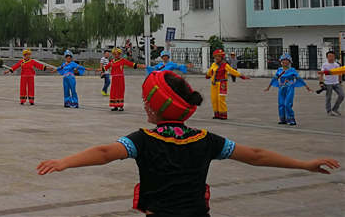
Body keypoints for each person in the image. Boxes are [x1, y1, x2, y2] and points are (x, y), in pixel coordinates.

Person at [35, 70, 340, 217]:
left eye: (146, 102)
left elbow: (104, 153)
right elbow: (256, 156)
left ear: (154, 108)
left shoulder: (143, 140)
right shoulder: (207, 140)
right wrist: (305, 164)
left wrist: (64, 162)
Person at [264, 53, 311, 126]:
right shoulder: (279, 70)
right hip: (281, 88)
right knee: (281, 104)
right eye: (283, 61)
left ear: (289, 62)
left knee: (287, 104)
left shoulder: (292, 70)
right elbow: (275, 79)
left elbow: (299, 78)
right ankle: (283, 119)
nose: (284, 62)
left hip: (290, 88)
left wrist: (306, 86)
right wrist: (268, 87)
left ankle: (291, 119)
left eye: (286, 60)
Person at [205, 49, 249, 120]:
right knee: (214, 99)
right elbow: (210, 72)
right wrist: (207, 75)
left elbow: (232, 71)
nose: (216, 58)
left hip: (222, 84)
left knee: (221, 99)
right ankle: (217, 114)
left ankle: (223, 114)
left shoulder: (225, 65)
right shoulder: (213, 64)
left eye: (218, 56)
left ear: (222, 57)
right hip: (214, 84)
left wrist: (241, 76)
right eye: (215, 56)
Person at [319, 50, 344, 116]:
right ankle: (329, 111)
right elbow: (321, 74)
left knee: (342, 95)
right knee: (328, 97)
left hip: (336, 83)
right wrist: (321, 82)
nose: (331, 57)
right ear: (327, 57)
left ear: (334, 57)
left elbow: (339, 74)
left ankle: (335, 109)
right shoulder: (324, 65)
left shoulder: (337, 64)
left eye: (332, 56)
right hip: (328, 83)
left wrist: (340, 82)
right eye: (329, 56)